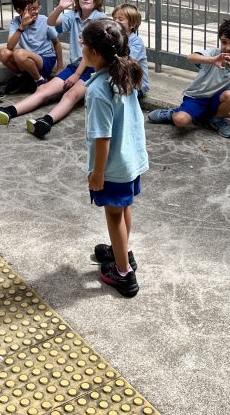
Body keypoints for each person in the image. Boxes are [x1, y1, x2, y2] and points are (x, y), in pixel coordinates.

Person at [0, 0, 107, 139]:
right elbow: (51, 22)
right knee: (43, 89)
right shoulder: (73, 16)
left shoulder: (101, 19)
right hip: (76, 65)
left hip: (95, 69)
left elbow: (91, 53)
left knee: (71, 95)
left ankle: (46, 121)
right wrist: (60, 7)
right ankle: (7, 112)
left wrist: (76, 75)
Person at [81, 18, 148, 298]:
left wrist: (98, 173)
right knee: (123, 207)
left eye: (83, 44)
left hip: (113, 166)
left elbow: (102, 138)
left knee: (113, 213)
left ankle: (122, 272)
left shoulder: (98, 90)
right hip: (130, 159)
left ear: (94, 52)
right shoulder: (123, 74)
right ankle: (122, 252)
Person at [147, 16, 230, 139]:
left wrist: (224, 109)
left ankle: (216, 120)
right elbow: (191, 57)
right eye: (224, 42)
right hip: (197, 99)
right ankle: (171, 113)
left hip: (215, 101)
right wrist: (211, 60)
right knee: (181, 121)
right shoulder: (214, 54)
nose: (228, 48)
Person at [0, 0, 62, 95]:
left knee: (19, 53)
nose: (36, 11)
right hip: (26, 59)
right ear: (19, 11)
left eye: (37, 7)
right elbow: (10, 46)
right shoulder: (15, 22)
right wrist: (22, 26)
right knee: (4, 53)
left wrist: (60, 68)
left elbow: (57, 43)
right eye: (32, 9)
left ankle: (40, 81)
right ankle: (24, 77)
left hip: (45, 59)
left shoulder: (44, 20)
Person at [112, 3, 149, 97]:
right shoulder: (115, 37)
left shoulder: (136, 42)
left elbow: (125, 62)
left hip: (136, 85)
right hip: (119, 80)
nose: (115, 21)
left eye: (120, 19)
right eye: (114, 18)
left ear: (132, 24)